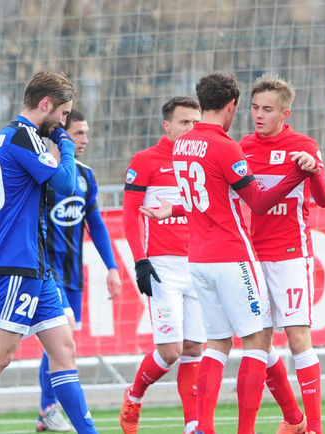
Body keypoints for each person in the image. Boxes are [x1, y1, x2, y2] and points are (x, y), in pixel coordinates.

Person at [140, 72, 320, 434]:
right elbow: (258, 202)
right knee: (256, 341)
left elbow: (208, 197)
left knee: (217, 343)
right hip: (233, 256)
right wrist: (295, 176)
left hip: (198, 259)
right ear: (232, 105)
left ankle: (204, 427)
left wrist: (173, 210)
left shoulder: (181, 145)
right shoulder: (227, 147)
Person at [0, 71, 98, 433]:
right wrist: (65, 146)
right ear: (46, 104)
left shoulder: (0, 139)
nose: (63, 123)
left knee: (64, 350)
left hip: (37, 267)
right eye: (63, 114)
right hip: (18, 263)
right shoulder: (25, 138)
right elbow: (65, 183)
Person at [238, 76, 325, 434]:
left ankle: (315, 427)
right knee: (258, 342)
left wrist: (314, 171)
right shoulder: (243, 147)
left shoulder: (303, 145)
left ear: (284, 113)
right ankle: (293, 419)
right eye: (254, 108)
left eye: (267, 109)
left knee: (297, 337)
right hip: (254, 258)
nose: (259, 115)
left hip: (292, 255)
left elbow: (323, 199)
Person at [118, 96, 206, 434]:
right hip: (162, 267)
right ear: (167, 126)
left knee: (195, 348)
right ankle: (135, 395)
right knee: (171, 351)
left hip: (199, 264)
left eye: (196, 122)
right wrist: (141, 260)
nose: (191, 128)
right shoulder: (146, 161)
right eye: (184, 122)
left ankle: (193, 425)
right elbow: (130, 216)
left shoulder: (203, 159)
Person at [35, 109, 122, 431]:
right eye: (78, 133)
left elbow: (95, 224)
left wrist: (112, 267)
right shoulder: (41, 173)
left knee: (62, 341)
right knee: (62, 335)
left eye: (86, 132)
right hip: (45, 272)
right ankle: (48, 408)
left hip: (72, 274)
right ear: (61, 135)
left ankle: (47, 410)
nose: (85, 139)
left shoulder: (85, 176)